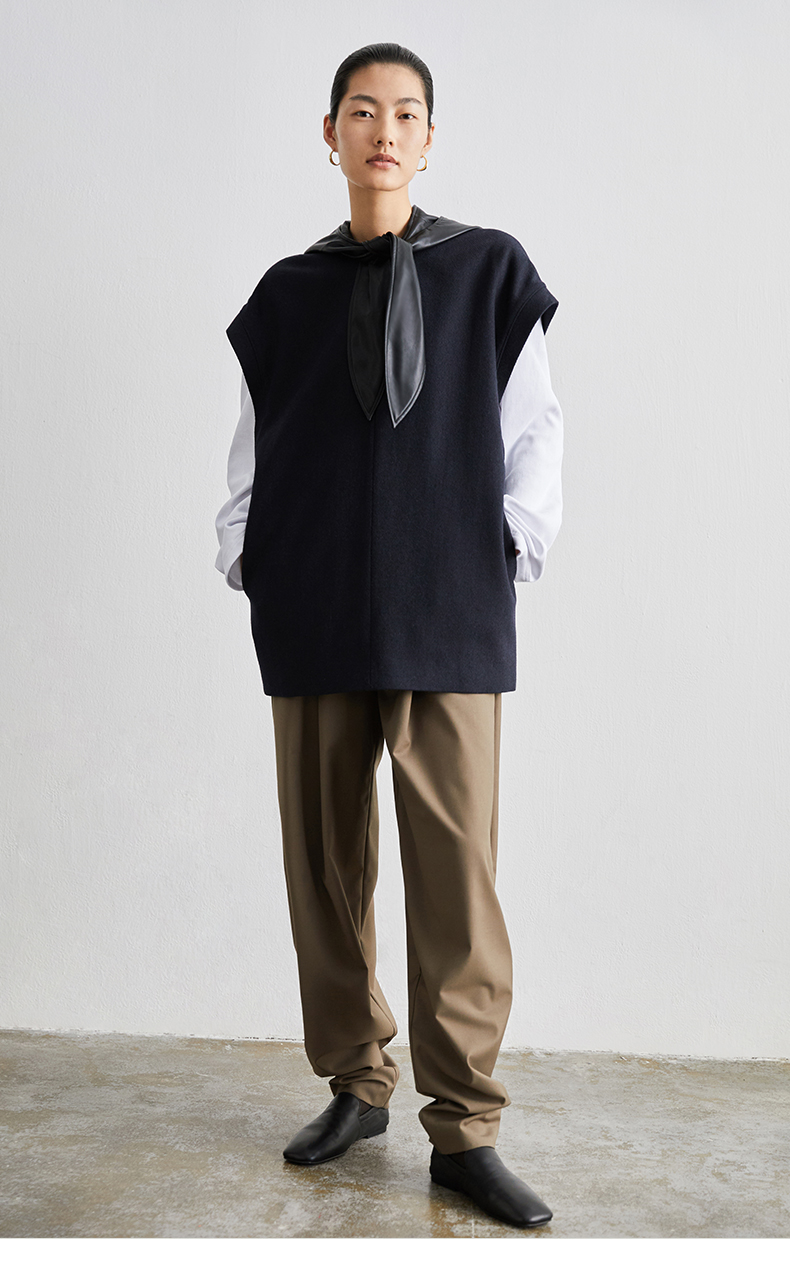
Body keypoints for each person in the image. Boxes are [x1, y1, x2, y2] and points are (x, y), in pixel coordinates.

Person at [214, 42, 563, 1231]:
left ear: (428, 137)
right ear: (331, 135)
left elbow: (534, 430)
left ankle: (464, 1129)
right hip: (313, 598)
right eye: (362, 112)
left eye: (405, 113)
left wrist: (502, 548)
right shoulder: (286, 292)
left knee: (455, 873)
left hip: (449, 602)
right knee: (324, 862)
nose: (383, 132)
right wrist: (249, 556)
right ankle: (354, 1084)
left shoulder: (489, 272)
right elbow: (255, 440)